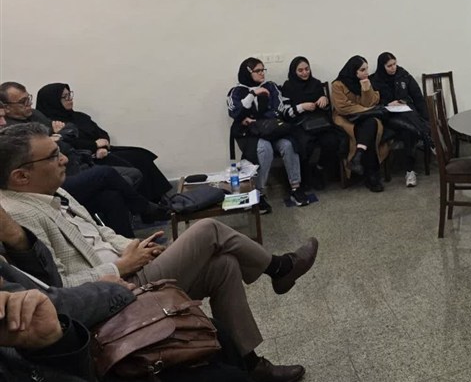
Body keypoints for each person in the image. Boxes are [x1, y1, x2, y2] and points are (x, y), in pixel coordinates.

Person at [0, 123, 316, 382]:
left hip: (129, 268)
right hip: (113, 294)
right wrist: (121, 266)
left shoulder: (53, 190)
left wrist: (134, 247)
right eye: (54, 156)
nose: (65, 160)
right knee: (208, 229)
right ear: (20, 176)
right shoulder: (17, 217)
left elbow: (102, 232)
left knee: (224, 265)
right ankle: (279, 267)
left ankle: (250, 364)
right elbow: (57, 289)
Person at [35, 83, 172, 203]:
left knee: (141, 155)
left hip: (104, 151)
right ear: (53, 102)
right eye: (64, 97)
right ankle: (150, 206)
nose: (70, 99)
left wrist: (103, 145)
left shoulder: (79, 116)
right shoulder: (52, 126)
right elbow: (71, 144)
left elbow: (101, 133)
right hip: (88, 159)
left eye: (69, 95)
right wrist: (95, 147)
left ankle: (161, 200)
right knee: (134, 162)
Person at [0, 82, 142, 187]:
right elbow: (38, 149)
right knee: (115, 180)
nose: (29, 104)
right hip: (60, 173)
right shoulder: (8, 129)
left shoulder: (35, 114)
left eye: (29, 99)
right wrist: (53, 137)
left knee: (135, 166)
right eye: (23, 102)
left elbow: (71, 129)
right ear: (6, 107)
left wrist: (58, 136)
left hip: (79, 161)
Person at [227, 58, 309, 207]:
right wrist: (253, 94)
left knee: (288, 145)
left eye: (263, 70)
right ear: (248, 73)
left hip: (272, 130)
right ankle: (258, 192)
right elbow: (236, 114)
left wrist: (255, 119)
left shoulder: (270, 87)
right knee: (265, 148)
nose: (262, 73)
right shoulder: (237, 92)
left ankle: (295, 187)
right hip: (250, 134)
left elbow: (278, 110)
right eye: (257, 71)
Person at [281, 57, 345, 190]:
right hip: (299, 123)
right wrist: (301, 107)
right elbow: (286, 113)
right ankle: (305, 175)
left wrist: (324, 99)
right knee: (305, 144)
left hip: (319, 123)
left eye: (307, 69)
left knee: (332, 141)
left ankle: (319, 169)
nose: (305, 73)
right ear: (294, 72)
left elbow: (325, 109)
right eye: (300, 70)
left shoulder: (316, 83)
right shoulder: (288, 87)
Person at [368, 52, 430, 188]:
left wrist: (426, 117)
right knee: (410, 128)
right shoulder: (374, 80)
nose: (393, 68)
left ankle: (410, 171)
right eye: (389, 66)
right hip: (389, 117)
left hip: (407, 114)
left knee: (408, 132)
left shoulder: (403, 75)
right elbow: (372, 103)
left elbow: (417, 96)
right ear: (382, 66)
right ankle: (427, 135)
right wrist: (388, 104)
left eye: (394, 64)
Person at [331, 56, 391, 193]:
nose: (366, 73)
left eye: (367, 69)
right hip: (346, 119)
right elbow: (343, 107)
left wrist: (366, 89)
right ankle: (372, 176)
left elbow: (370, 103)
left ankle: (358, 157)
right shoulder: (337, 85)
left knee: (371, 126)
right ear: (353, 71)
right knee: (368, 130)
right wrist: (366, 110)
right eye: (362, 70)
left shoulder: (366, 82)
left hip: (365, 118)